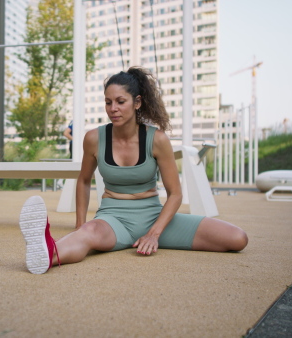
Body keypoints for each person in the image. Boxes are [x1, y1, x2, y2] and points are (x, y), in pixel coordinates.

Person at [19, 67, 248, 274]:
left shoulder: (157, 139)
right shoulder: (93, 139)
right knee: (87, 234)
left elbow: (175, 193)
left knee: (237, 239)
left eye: (120, 101)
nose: (113, 109)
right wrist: (80, 226)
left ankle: (54, 247)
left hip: (155, 218)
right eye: (108, 102)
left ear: (137, 102)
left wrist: (154, 233)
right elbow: (84, 181)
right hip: (113, 219)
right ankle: (47, 252)